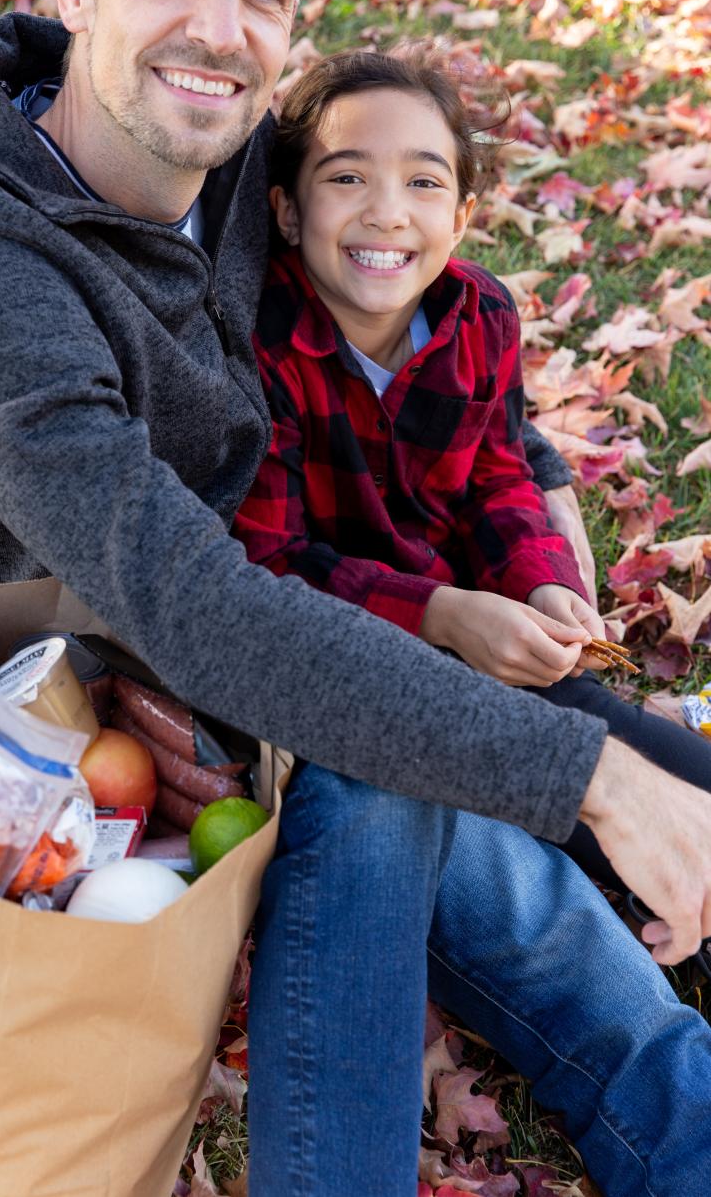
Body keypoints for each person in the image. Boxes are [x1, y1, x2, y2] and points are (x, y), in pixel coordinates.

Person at [0, 0, 711, 1195]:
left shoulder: (240, 161)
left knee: (585, 949)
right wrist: (592, 776)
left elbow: (436, 313)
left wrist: (543, 497)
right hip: (64, 750)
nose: (221, 29)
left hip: (281, 655)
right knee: (405, 782)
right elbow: (197, 611)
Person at [233, 43, 711, 889]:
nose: (387, 214)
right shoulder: (262, 349)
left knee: (672, 778)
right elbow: (272, 562)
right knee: (571, 821)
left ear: (459, 217)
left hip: (489, 636)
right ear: (285, 208)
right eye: (346, 178)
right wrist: (445, 616)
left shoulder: (480, 314)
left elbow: (497, 473)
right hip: (348, 672)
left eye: (423, 183)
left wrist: (541, 580)